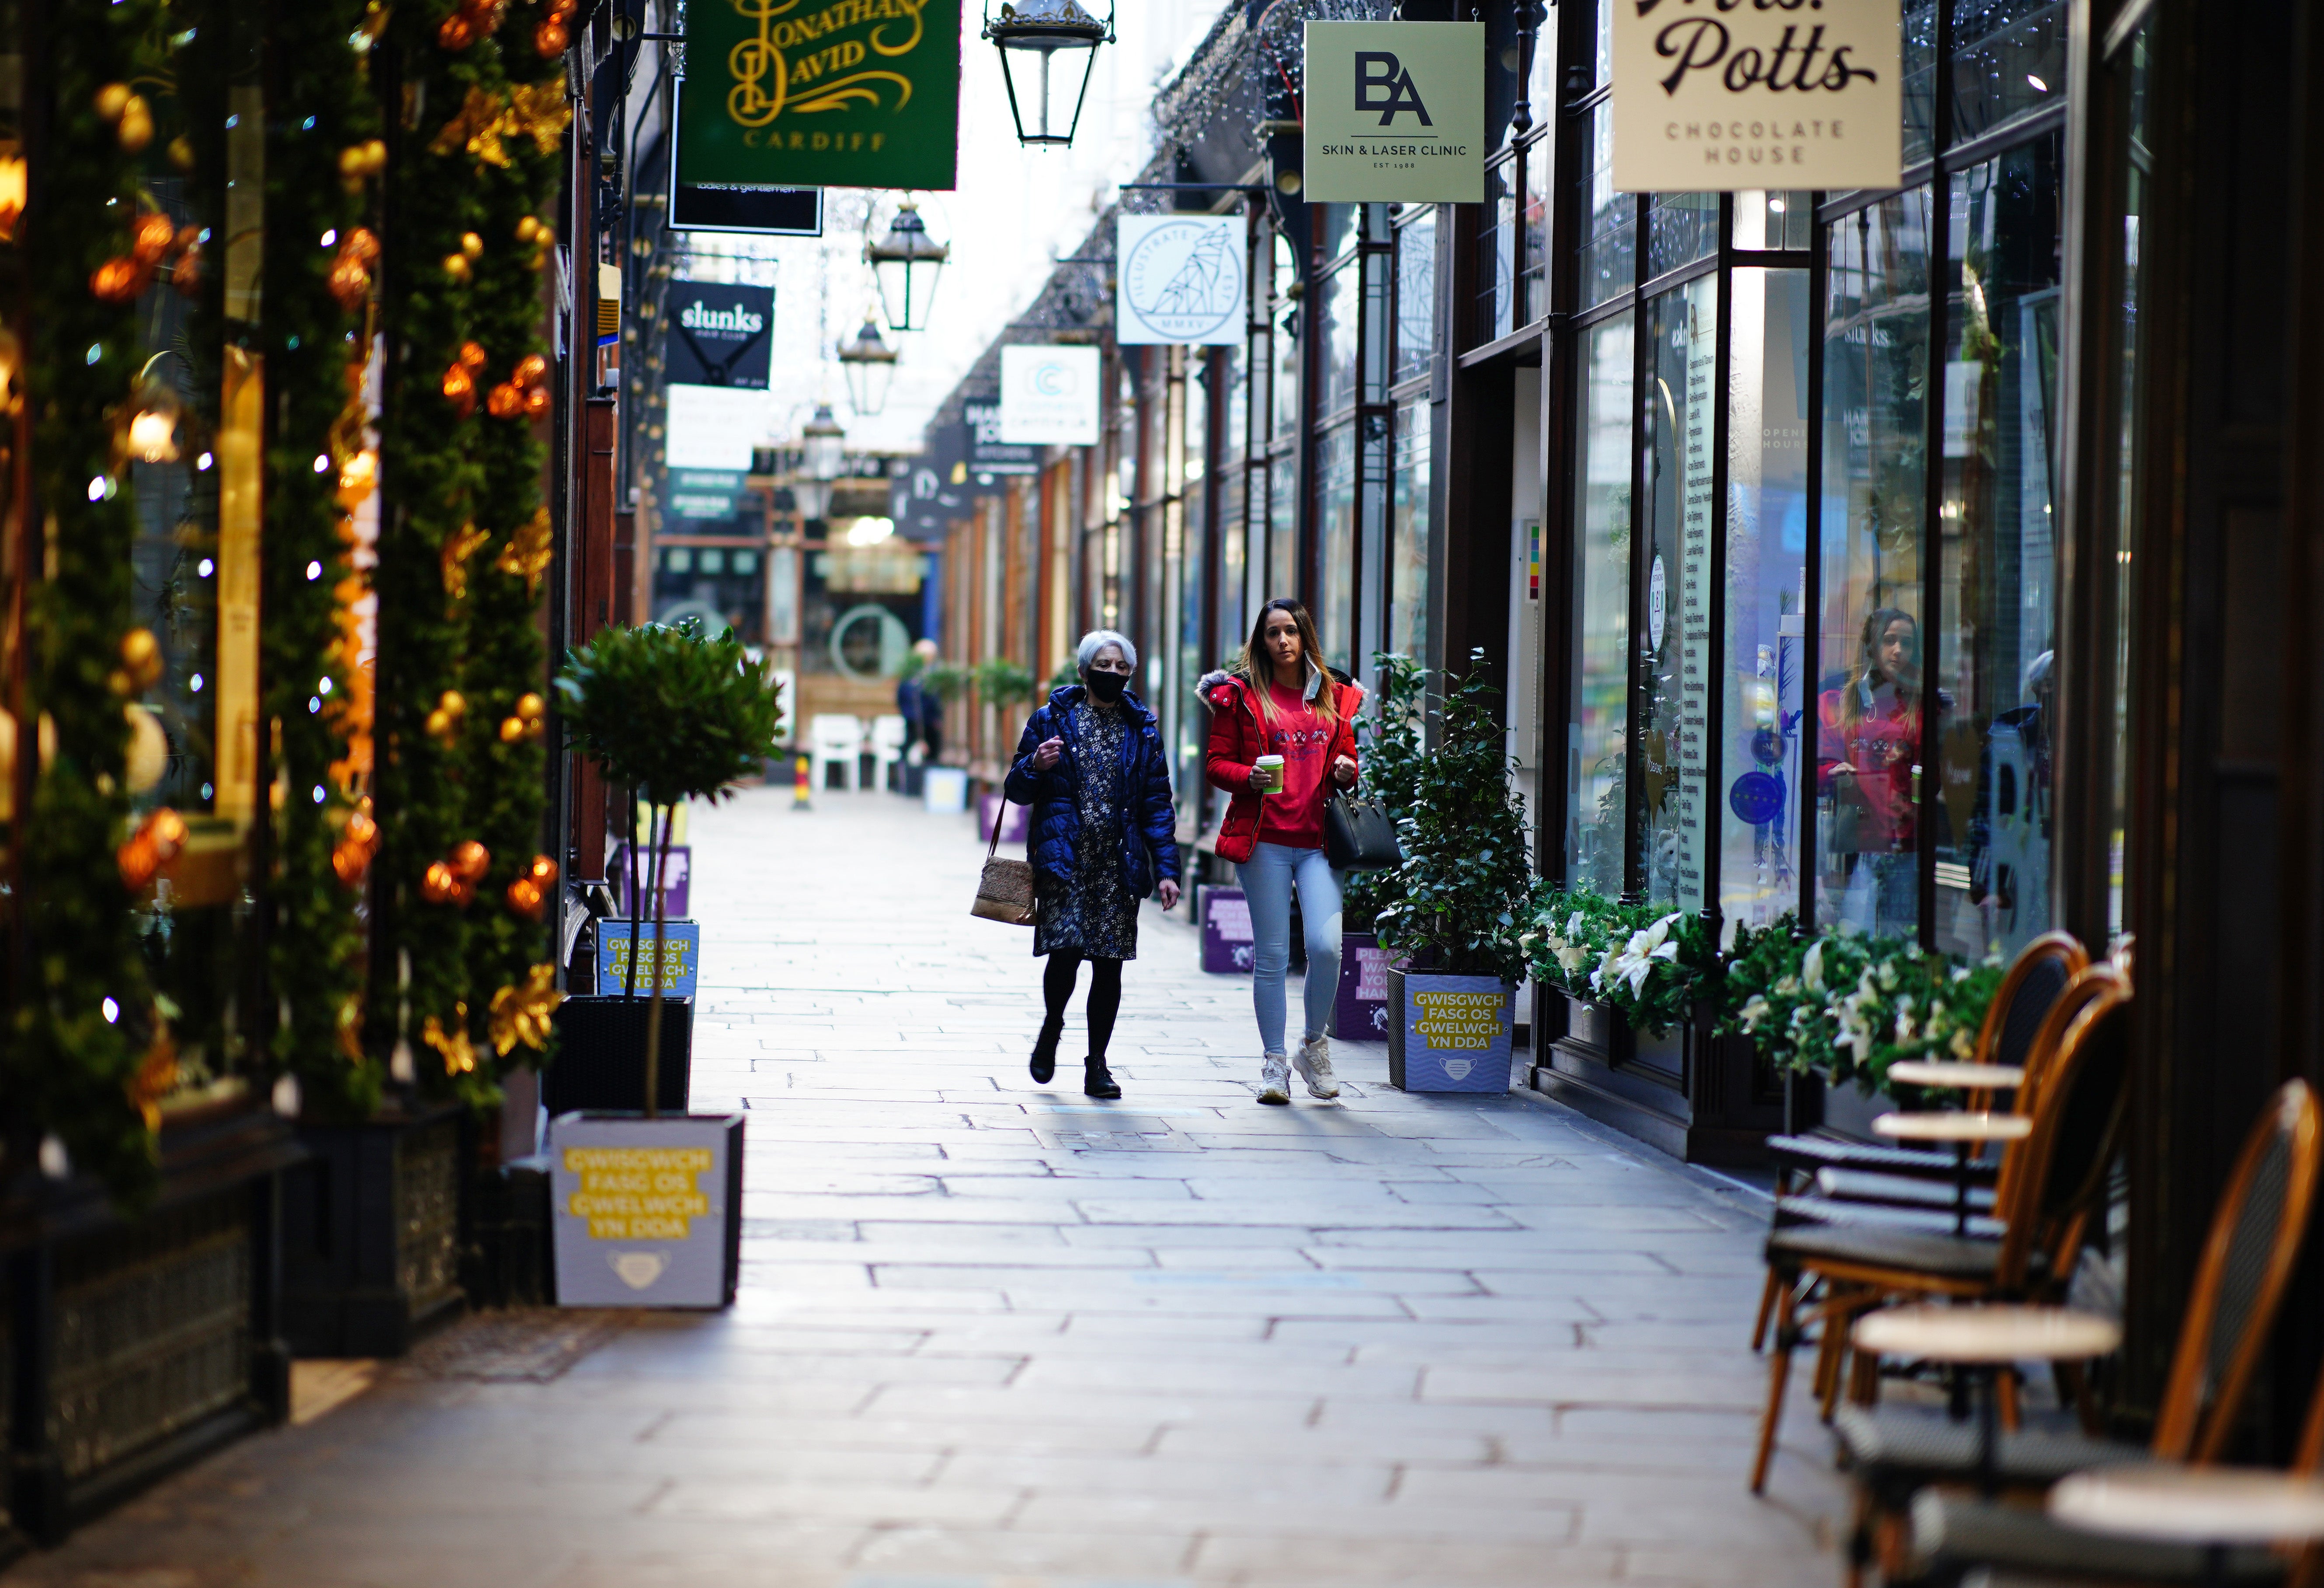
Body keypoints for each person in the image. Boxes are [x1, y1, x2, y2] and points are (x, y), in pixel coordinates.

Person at [1004, 631, 1182, 1099]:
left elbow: (1156, 805)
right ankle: (1052, 1025)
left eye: (1122, 668)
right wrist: (1035, 767)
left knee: (1109, 965)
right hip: (1065, 859)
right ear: (1083, 670)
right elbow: (1015, 790)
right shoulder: (1051, 720)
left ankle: (1097, 1064)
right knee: (1064, 955)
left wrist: (1167, 870)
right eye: (1104, 665)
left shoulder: (1142, 731)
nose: (1113, 674)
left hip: (1116, 864)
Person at [1201, 599, 1362, 1106]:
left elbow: (1349, 757)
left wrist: (1345, 770)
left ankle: (1313, 1048)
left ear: (1304, 635)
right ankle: (1273, 1063)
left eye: (1290, 631)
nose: (1283, 641)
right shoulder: (1241, 697)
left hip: (1318, 842)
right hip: (1264, 840)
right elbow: (1215, 763)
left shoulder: (1333, 696)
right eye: (1272, 633)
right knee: (1271, 956)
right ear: (1261, 641)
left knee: (1326, 946)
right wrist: (1247, 776)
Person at [1818, 607, 1928, 937]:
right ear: (1871, 646)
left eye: (1906, 643)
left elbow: (1931, 775)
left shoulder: (1921, 707)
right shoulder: (1840, 701)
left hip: (1903, 844)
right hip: (1856, 843)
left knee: (1900, 943)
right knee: (1854, 941)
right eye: (1889, 641)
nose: (1897, 650)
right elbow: (1818, 765)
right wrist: (1834, 771)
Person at [896, 638, 944, 763]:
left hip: (930, 720)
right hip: (913, 719)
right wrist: (909, 714)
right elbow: (902, 696)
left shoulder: (935, 673)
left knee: (933, 751)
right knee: (908, 748)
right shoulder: (910, 675)